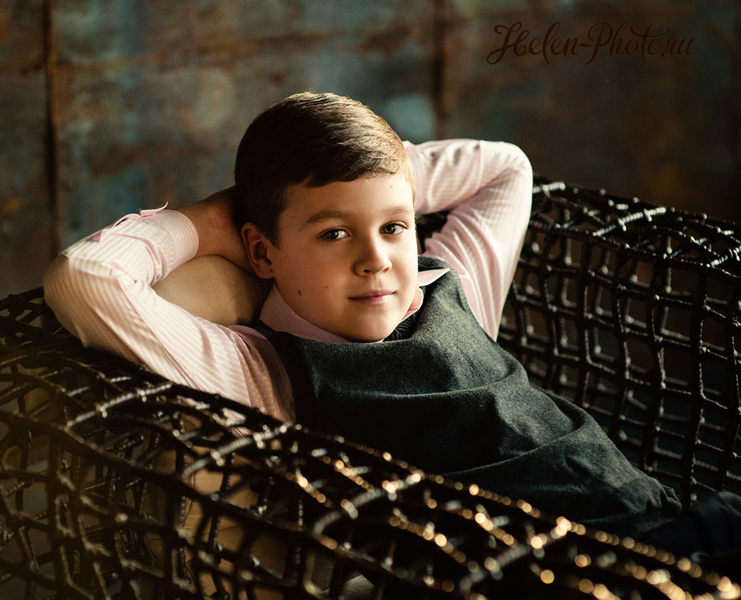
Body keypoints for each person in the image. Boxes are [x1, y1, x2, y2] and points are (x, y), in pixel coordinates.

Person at [43, 91, 740, 578]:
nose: (376, 258)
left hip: (675, 520)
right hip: (585, 576)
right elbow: (88, 278)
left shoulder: (448, 283)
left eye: (394, 226)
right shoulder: (265, 372)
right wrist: (210, 220)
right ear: (260, 252)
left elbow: (506, 168)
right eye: (334, 233)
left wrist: (383, 177)